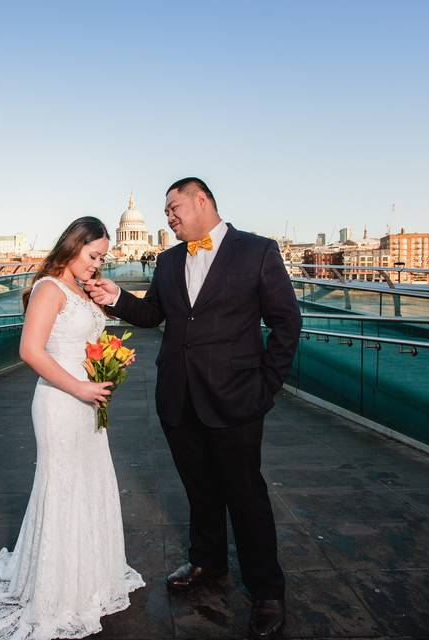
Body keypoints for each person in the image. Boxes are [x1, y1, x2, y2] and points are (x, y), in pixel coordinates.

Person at [87, 178, 301, 640]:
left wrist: (267, 386)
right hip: (178, 397)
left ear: (201, 201)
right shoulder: (166, 260)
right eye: (165, 211)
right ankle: (207, 562)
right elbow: (153, 316)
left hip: (237, 399)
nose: (168, 216)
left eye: (173, 207)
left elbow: (286, 322)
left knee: (246, 496)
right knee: (199, 488)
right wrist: (117, 299)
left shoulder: (258, 251)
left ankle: (267, 591)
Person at [0, 217, 145, 640]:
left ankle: (88, 578)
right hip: (60, 402)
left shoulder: (83, 290)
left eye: (102, 258)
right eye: (93, 255)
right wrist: (78, 385)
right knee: (62, 486)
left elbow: (87, 343)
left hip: (87, 401)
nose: (98, 264)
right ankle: (57, 590)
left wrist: (112, 357)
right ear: (73, 246)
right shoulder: (48, 289)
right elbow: (30, 350)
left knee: (90, 483)